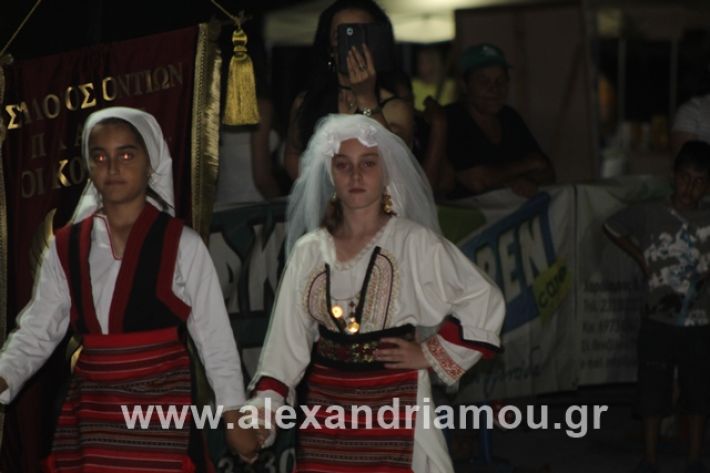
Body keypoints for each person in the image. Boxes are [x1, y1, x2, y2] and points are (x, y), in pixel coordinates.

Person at [0, 107, 257, 471]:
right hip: (94, 419)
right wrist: (5, 375)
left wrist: (233, 412)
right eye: (99, 156)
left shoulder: (181, 243)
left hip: (160, 414)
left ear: (150, 163)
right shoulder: (67, 246)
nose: (112, 167)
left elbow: (213, 335)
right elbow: (39, 329)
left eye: (126, 155)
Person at [246, 114, 505, 472]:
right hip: (327, 415)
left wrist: (430, 353)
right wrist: (263, 414)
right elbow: (283, 349)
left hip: (396, 407)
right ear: (330, 174)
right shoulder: (309, 251)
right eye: (343, 165)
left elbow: (484, 299)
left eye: (368, 164)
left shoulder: (413, 242)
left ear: (385, 173)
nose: (355, 175)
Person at [604, 141, 710, 473]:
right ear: (673, 176)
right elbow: (611, 226)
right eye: (685, 178)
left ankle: (694, 457)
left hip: (700, 321)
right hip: (658, 319)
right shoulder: (651, 212)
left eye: (699, 181)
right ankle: (649, 458)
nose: (690, 188)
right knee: (652, 389)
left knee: (699, 391)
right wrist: (642, 258)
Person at [283, 0, 414, 180]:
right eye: (342, 36)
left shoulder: (395, 108)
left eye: (360, 34)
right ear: (330, 48)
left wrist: (366, 99)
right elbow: (292, 155)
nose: (352, 45)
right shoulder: (307, 103)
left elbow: (396, 168)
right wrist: (317, 191)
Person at [444, 43, 555, 198]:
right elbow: (477, 181)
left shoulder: (510, 117)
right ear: (464, 85)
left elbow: (547, 172)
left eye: (501, 81)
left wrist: (525, 180)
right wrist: (526, 166)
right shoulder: (451, 119)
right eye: (484, 81)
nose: (494, 89)